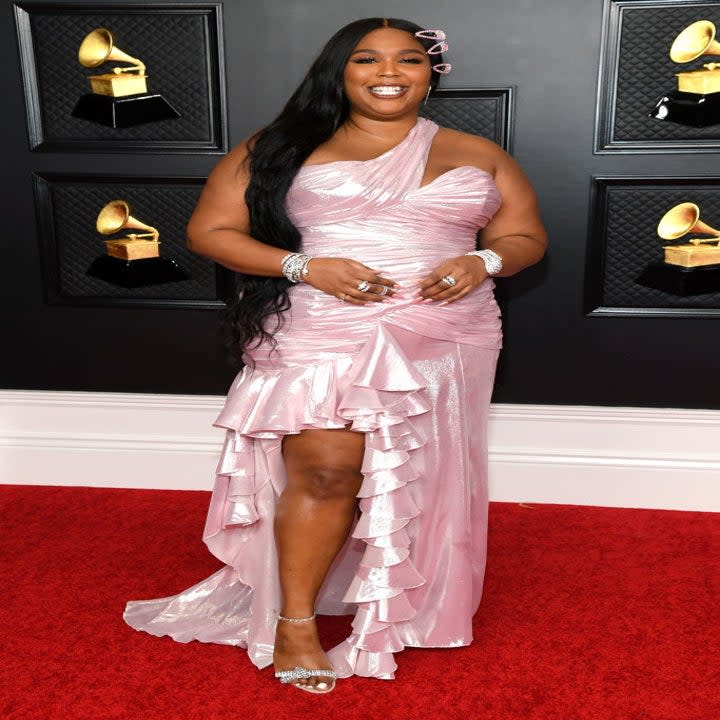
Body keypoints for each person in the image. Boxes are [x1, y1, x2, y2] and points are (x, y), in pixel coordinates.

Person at [123, 17, 547, 695]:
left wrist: (485, 259)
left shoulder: (479, 152)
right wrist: (302, 266)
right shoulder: (281, 146)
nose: (389, 72)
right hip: (324, 324)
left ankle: (401, 601)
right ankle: (294, 621)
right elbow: (210, 231)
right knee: (325, 466)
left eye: (409, 59)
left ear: (431, 71)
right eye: (367, 60)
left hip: (444, 334)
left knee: (416, 470)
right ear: (339, 72)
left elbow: (526, 235)